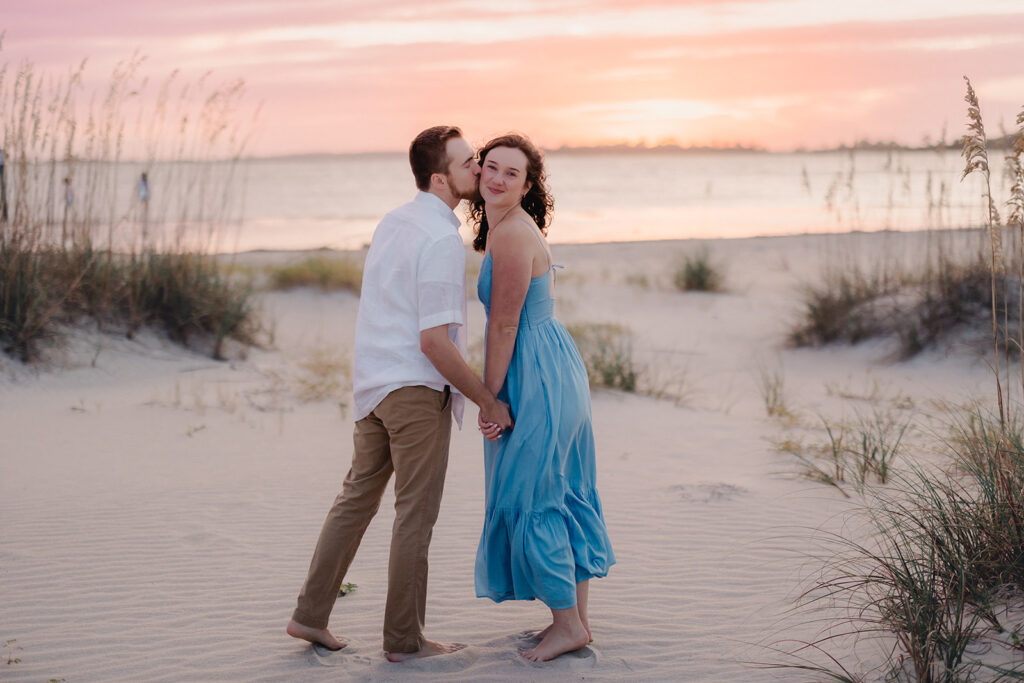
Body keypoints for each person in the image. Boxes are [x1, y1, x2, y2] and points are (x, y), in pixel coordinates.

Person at [286, 125, 513, 662]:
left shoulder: (393, 222)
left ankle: (309, 616)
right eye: (468, 164)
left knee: (355, 502)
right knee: (415, 515)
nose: (479, 171)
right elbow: (434, 341)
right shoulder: (437, 237)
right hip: (413, 391)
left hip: (374, 385)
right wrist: (485, 398)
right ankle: (404, 641)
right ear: (441, 178)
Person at [471, 133, 615, 662]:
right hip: (553, 365)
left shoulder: (509, 236)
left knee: (535, 496)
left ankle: (567, 625)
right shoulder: (511, 227)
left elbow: (505, 324)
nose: (497, 178)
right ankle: (575, 622)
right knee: (561, 489)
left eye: (512, 173)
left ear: (528, 185)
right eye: (491, 167)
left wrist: (489, 398)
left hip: (535, 374)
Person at [0, 147, 7, 223]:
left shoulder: (2, 152)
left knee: (3, 192)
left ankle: (5, 215)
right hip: (2, 167)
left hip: (2, 167)